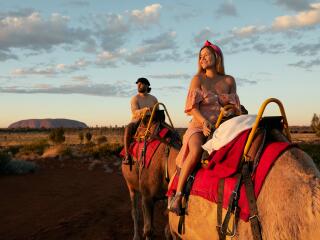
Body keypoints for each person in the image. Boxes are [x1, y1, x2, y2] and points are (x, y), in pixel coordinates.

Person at [168, 40, 241, 214]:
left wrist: (231, 112)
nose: (203, 59)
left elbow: (236, 106)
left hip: (224, 126)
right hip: (200, 126)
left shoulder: (229, 80)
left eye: (206, 55)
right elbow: (193, 108)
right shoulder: (198, 79)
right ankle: (178, 195)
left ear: (217, 57)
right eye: (200, 56)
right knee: (196, 151)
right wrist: (204, 122)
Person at [123, 77, 158, 164]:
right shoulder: (135, 98)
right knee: (128, 129)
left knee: (168, 130)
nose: (138, 85)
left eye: (141, 83)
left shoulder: (153, 98)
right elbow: (134, 112)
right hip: (138, 120)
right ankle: (127, 156)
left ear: (147, 85)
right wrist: (145, 109)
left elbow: (157, 110)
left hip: (152, 119)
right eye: (138, 84)